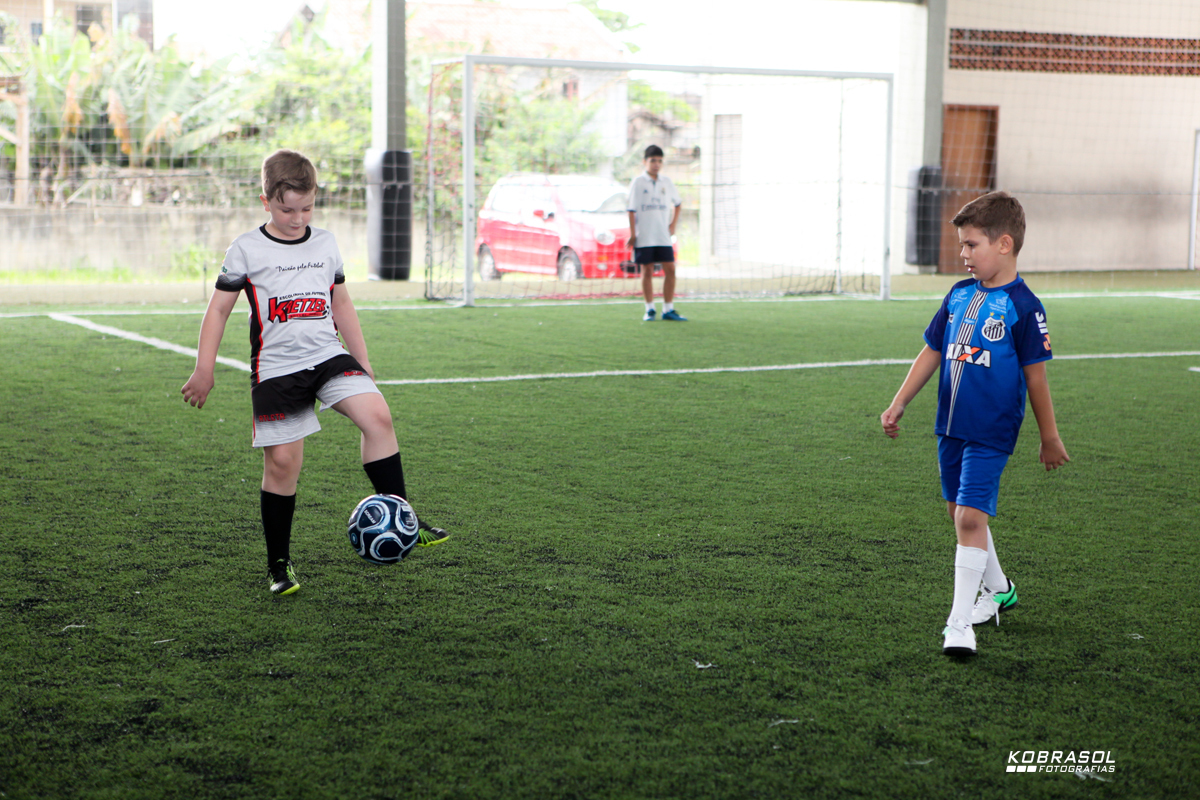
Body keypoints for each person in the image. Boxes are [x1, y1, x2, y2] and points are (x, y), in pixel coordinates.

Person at [181, 149, 449, 596]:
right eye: (287, 210)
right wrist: (203, 369)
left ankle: (404, 516)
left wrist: (361, 358)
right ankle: (279, 565)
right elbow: (218, 310)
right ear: (266, 201)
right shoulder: (245, 249)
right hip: (277, 368)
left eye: (306, 208)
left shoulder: (325, 243)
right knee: (283, 463)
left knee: (378, 416)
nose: (298, 218)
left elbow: (341, 302)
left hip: (328, 355)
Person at [879, 191, 1069, 656]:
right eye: (962, 244)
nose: (963, 254)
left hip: (992, 429)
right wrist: (900, 401)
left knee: (969, 516)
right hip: (950, 424)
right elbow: (932, 350)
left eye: (971, 245)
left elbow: (1036, 377)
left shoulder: (1025, 306)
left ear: (1004, 244)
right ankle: (1000, 588)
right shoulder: (959, 294)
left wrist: (1049, 437)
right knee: (959, 512)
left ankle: (960, 624)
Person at [627, 144, 685, 321]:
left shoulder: (666, 182)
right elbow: (631, 210)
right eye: (653, 160)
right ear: (645, 161)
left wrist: (673, 224)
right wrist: (633, 234)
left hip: (662, 235)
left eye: (659, 161)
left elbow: (678, 203)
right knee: (647, 270)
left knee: (670, 269)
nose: (656, 164)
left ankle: (668, 309)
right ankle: (649, 309)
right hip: (645, 235)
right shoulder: (638, 182)